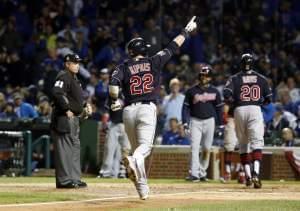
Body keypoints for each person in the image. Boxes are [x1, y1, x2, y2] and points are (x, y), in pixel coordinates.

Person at [109, 16, 197, 200]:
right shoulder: (153, 61)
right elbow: (173, 47)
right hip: (146, 108)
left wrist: (113, 100)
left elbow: (113, 84)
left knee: (137, 153)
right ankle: (135, 164)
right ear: (142, 50)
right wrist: (186, 31)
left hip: (128, 111)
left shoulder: (123, 66)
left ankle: (142, 189)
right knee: (144, 149)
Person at [223, 53, 272, 189]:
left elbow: (226, 94)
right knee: (257, 143)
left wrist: (236, 101)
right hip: (255, 109)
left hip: (239, 110)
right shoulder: (261, 78)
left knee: (243, 144)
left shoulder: (235, 78)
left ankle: (248, 176)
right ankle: (256, 172)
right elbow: (268, 99)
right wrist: (257, 102)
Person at [51, 53, 92, 189]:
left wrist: (85, 105)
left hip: (74, 118)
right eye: (75, 63)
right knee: (65, 149)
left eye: (78, 63)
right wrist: (66, 108)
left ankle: (74, 178)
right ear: (67, 64)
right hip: (63, 118)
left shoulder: (75, 79)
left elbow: (76, 98)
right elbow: (57, 92)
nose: (77, 65)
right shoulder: (63, 76)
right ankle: (64, 180)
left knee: (74, 148)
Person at [182, 64, 223, 182]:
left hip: (210, 121)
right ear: (199, 76)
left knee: (206, 148)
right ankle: (194, 173)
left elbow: (219, 109)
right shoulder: (191, 91)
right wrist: (185, 122)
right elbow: (185, 108)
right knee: (194, 147)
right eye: (203, 75)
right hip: (195, 121)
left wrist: (220, 124)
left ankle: (202, 172)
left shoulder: (215, 91)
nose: (204, 78)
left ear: (211, 77)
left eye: (207, 76)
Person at [99, 96, 131, 178]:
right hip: (114, 124)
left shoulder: (130, 94)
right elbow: (106, 111)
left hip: (127, 124)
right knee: (109, 148)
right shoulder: (112, 96)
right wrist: (104, 122)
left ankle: (121, 173)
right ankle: (106, 172)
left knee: (125, 150)